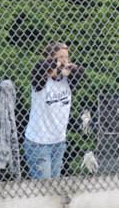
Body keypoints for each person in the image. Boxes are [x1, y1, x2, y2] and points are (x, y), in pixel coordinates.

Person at [23, 42, 84, 179]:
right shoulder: (40, 81)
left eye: (66, 57)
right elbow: (40, 67)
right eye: (60, 56)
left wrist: (65, 70)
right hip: (38, 143)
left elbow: (81, 71)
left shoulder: (67, 80)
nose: (64, 60)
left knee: (54, 186)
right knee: (45, 187)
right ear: (51, 58)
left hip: (58, 142)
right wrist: (57, 67)